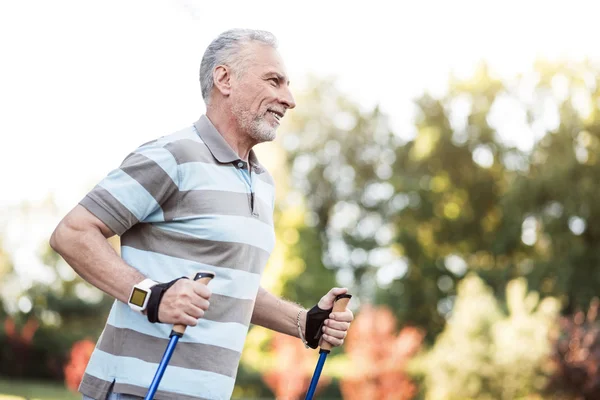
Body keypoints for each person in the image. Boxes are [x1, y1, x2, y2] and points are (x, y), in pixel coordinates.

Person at [50, 28, 354, 400]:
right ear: (224, 79)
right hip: (137, 390)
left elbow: (232, 284)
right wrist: (153, 296)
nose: (288, 99)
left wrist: (303, 323)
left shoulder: (261, 181)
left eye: (287, 85)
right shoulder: (171, 156)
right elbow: (72, 233)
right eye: (274, 81)